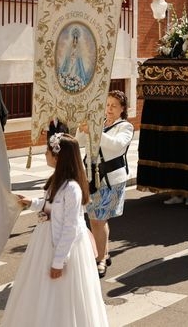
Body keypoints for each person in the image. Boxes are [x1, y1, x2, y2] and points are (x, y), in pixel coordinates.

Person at [1, 133, 108, 326]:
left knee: (64, 292)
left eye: (47, 151)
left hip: (64, 247)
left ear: (58, 157)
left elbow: (70, 227)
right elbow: (50, 204)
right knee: (41, 288)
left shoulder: (72, 189)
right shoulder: (56, 181)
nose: (45, 154)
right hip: (47, 240)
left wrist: (58, 262)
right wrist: (31, 203)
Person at [76, 90, 134, 277]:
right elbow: (78, 142)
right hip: (92, 177)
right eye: (107, 105)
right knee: (95, 218)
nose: (109, 109)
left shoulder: (125, 127)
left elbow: (116, 146)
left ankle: (100, 259)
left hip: (110, 179)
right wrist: (82, 128)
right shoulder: (98, 124)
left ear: (122, 109)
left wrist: (95, 130)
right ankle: (104, 253)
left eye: (114, 106)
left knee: (99, 219)